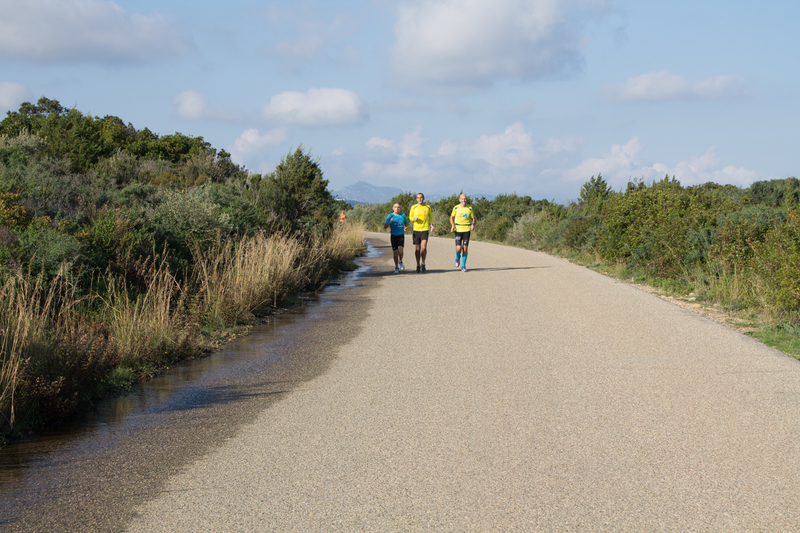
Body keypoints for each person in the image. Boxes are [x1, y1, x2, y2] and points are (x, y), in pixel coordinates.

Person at [449, 193, 475, 272]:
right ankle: (457, 257)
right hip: (458, 229)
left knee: (465, 248)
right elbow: (451, 217)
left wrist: (472, 224)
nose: (464, 200)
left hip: (466, 230)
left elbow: (473, 218)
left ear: (466, 200)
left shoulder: (469, 209)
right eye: (462, 199)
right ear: (459, 200)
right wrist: (452, 225)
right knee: (458, 248)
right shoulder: (456, 208)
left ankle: (463, 265)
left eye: (465, 199)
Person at [408, 192, 434, 273]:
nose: (420, 199)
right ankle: (418, 264)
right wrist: (413, 219)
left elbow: (431, 216)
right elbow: (410, 217)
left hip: (424, 229)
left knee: (423, 247)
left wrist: (431, 224)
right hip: (416, 230)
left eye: (421, 197)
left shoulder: (427, 207)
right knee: (417, 249)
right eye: (418, 197)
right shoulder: (413, 207)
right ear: (416, 199)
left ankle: (423, 263)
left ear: (424, 198)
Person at [384, 202, 409, 274]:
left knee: (400, 251)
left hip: (401, 235)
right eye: (395, 207)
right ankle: (396, 267)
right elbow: (385, 227)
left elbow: (406, 223)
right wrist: (390, 222)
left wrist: (405, 227)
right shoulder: (390, 216)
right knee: (395, 253)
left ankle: (400, 261)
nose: (397, 208)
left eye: (398, 207)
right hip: (393, 236)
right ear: (393, 208)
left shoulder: (403, 215)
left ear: (400, 208)